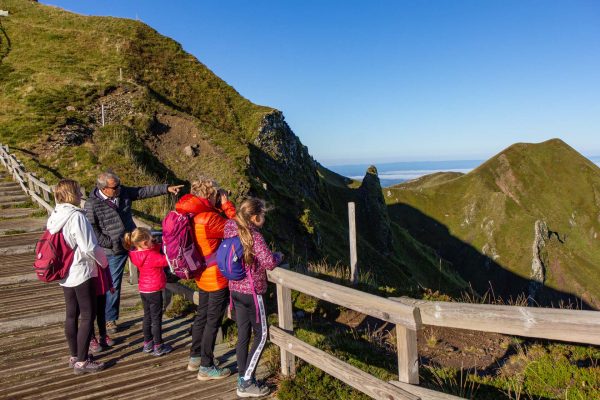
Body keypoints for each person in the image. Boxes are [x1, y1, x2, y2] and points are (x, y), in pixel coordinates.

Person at [84, 171, 183, 334]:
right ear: (103, 188)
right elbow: (92, 229)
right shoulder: (92, 204)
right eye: (115, 187)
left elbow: (141, 192)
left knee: (159, 245)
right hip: (113, 249)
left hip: (133, 243)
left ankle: (168, 274)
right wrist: (109, 242)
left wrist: (166, 188)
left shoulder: (122, 191)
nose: (119, 188)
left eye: (119, 185)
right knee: (113, 284)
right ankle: (110, 319)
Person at [47, 179, 108, 375]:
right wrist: (103, 262)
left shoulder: (55, 215)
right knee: (88, 315)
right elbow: (89, 246)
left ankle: (74, 354)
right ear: (72, 193)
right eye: (78, 191)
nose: (81, 193)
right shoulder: (76, 217)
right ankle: (82, 361)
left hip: (65, 272)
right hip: (81, 271)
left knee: (71, 314)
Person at [225, 198, 283, 397]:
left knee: (243, 334)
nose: (265, 218)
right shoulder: (254, 236)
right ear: (255, 217)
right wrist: (279, 256)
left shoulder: (230, 227)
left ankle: (243, 375)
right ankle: (246, 382)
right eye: (263, 214)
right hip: (252, 292)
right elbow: (268, 262)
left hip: (235, 289)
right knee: (262, 335)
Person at [180, 178, 235, 380]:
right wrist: (227, 204)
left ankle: (195, 357)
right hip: (215, 276)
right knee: (213, 320)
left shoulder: (192, 213)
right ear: (210, 195)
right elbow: (237, 227)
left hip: (201, 273)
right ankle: (207, 365)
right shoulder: (209, 218)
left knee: (202, 315)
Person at [125, 228, 173, 356]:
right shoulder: (152, 256)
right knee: (156, 318)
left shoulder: (135, 254)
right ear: (146, 243)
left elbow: (151, 250)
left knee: (147, 316)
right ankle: (159, 345)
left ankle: (148, 343)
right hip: (155, 289)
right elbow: (166, 260)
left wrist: (156, 244)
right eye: (152, 239)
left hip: (144, 289)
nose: (154, 240)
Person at [89, 263, 115, 353]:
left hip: (101, 287)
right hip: (88, 287)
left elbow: (106, 267)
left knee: (101, 313)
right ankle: (91, 338)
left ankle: (103, 335)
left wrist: (110, 284)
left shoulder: (99, 249)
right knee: (90, 316)